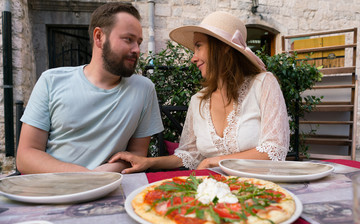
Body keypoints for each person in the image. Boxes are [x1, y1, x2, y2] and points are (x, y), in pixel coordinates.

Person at [109, 11, 290, 173]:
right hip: (210, 193)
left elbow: (274, 150)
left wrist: (213, 162)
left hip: (261, 192)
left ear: (224, 47)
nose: (193, 58)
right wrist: (148, 162)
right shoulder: (198, 101)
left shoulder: (263, 84)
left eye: (198, 46)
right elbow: (190, 155)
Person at [16, 3, 164, 174]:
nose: (137, 50)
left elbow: (137, 154)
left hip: (111, 189)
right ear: (99, 37)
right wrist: (86, 177)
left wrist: (102, 176)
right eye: (128, 39)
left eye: (139, 42)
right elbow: (26, 156)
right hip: (53, 188)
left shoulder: (144, 89)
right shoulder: (51, 81)